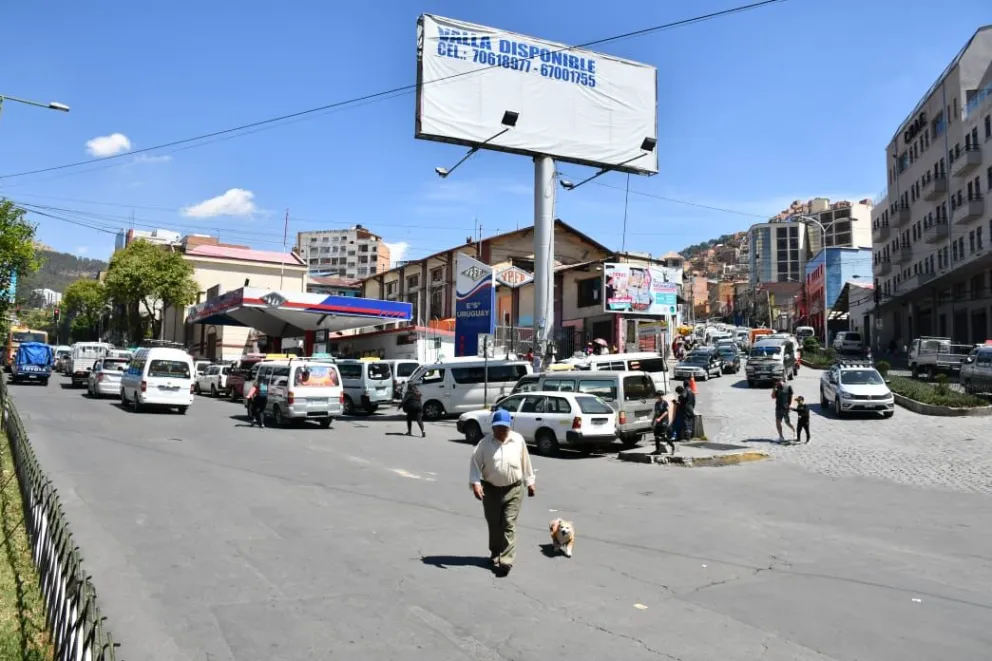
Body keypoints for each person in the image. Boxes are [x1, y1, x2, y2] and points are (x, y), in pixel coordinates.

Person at [469, 409, 536, 576]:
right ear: (493, 427)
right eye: (498, 427)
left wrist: (530, 482)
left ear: (509, 427)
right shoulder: (484, 444)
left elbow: (525, 461)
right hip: (491, 490)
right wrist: (476, 484)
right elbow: (475, 464)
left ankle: (506, 560)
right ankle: (495, 551)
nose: (501, 431)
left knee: (508, 523)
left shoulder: (518, 440)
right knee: (494, 523)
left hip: (514, 488)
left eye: (504, 428)